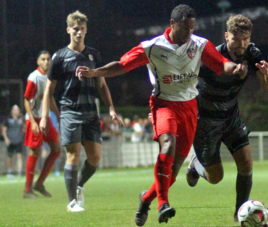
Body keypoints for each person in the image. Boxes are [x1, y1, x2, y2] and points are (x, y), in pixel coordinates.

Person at [75, 4, 247, 225]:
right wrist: (95, 72)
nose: (189, 34)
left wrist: (235, 68)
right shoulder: (153, 47)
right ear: (173, 24)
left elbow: (222, 64)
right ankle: (163, 204)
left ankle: (146, 199)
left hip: (189, 107)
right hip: (164, 104)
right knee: (167, 147)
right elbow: (122, 65)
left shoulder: (199, 44)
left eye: (192, 29)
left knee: (173, 171)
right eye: (186, 29)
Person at [185, 14, 268, 221]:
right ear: (227, 36)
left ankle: (239, 213)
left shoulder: (252, 53)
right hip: (205, 122)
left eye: (245, 39)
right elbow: (185, 83)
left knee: (246, 163)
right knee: (216, 178)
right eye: (236, 39)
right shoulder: (211, 57)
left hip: (231, 117)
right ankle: (196, 165)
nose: (241, 44)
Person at [39, 10, 122, 212]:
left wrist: (111, 108)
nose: (79, 33)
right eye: (75, 29)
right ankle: (71, 202)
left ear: (86, 31)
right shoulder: (59, 57)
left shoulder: (93, 55)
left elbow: (102, 85)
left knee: (95, 157)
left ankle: (79, 185)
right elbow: (49, 90)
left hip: (91, 113)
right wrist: (44, 117)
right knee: (73, 156)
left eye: (82, 29)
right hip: (69, 112)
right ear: (68, 30)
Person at [23, 50, 61, 198]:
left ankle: (39, 184)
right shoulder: (34, 77)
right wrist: (32, 121)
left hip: (45, 118)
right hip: (35, 119)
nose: (46, 62)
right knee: (35, 152)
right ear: (38, 62)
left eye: (48, 59)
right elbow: (26, 100)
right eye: (43, 59)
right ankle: (27, 190)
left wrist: (58, 116)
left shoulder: (49, 77)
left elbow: (49, 97)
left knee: (56, 149)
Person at [2, 105, 25, 178]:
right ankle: (9, 171)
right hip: (10, 140)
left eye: (18, 110)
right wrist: (6, 138)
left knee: (19, 155)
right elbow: (4, 130)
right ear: (12, 111)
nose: (17, 111)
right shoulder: (8, 119)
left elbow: (25, 128)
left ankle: (19, 171)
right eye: (15, 110)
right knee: (10, 156)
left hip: (18, 140)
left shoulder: (21, 119)